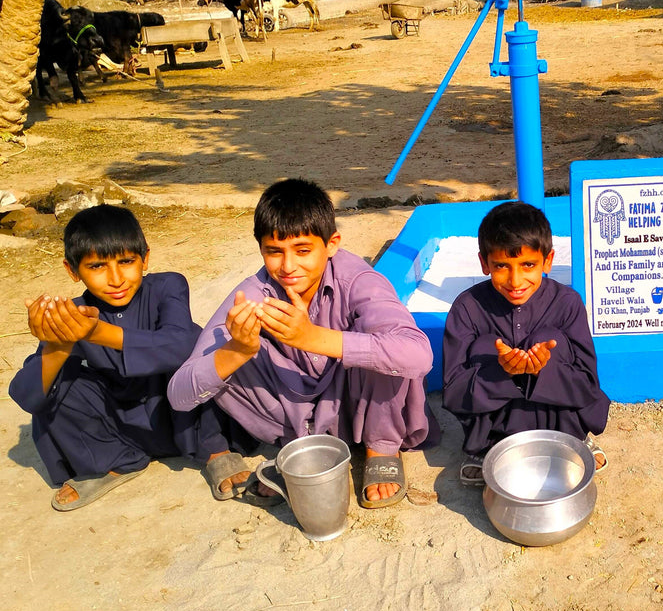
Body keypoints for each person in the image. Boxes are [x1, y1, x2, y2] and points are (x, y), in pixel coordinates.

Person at [168, 178, 438, 508]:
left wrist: (312, 338)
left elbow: (419, 354)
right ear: (261, 249)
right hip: (293, 415)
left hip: (355, 402)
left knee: (385, 349)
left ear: (332, 244)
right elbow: (179, 395)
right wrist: (237, 351)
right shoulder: (253, 295)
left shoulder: (358, 281)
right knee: (223, 357)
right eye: (274, 252)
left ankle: (381, 447)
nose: (288, 266)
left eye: (303, 250)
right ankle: (301, 448)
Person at [9, 205, 233, 511]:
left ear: (145, 258)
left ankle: (215, 451)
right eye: (97, 266)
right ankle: (116, 460)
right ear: (72, 270)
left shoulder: (167, 286)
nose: (116, 279)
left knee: (194, 343)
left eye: (126, 261)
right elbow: (28, 398)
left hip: (180, 419)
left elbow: (180, 345)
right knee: (58, 379)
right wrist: (56, 344)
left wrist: (97, 333)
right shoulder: (73, 316)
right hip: (120, 429)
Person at [442, 201, 611, 485]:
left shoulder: (567, 303)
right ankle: (485, 449)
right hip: (493, 428)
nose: (515, 280)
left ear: (548, 260)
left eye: (528, 265)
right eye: (501, 266)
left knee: (550, 341)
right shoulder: (467, 307)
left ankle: (573, 438)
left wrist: (543, 370)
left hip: (559, 420)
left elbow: (588, 385)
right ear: (484, 263)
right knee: (486, 348)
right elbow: (453, 391)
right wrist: (502, 372)